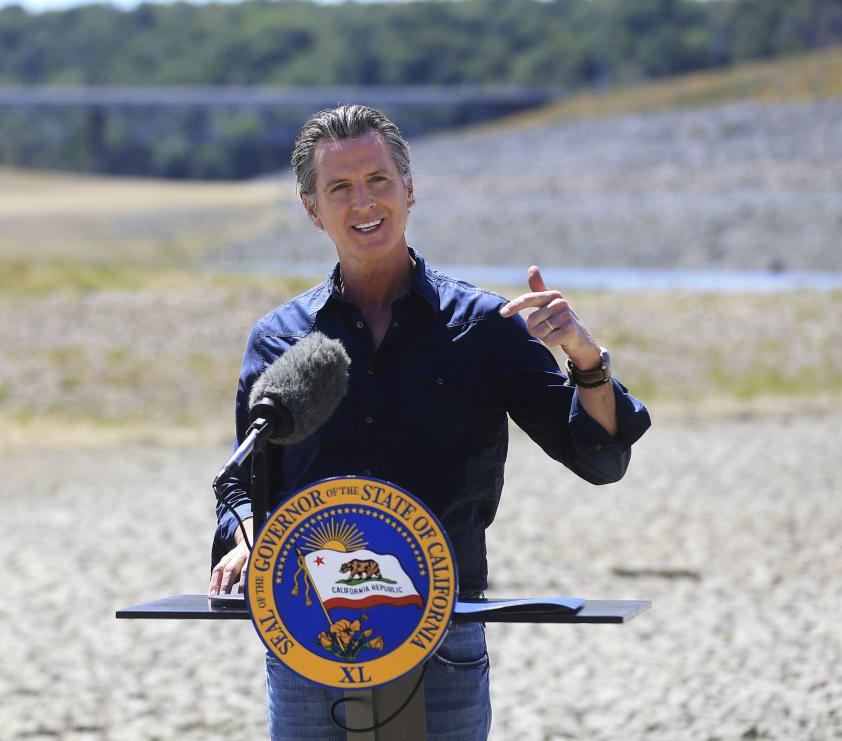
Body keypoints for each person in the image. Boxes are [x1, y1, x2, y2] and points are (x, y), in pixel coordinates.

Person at [208, 105, 651, 740]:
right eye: (340, 187)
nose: (364, 200)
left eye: (379, 180)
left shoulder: (485, 327)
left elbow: (600, 458)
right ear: (312, 209)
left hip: (440, 637)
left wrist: (586, 361)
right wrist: (246, 537)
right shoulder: (280, 338)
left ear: (409, 190)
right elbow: (241, 481)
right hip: (307, 638)